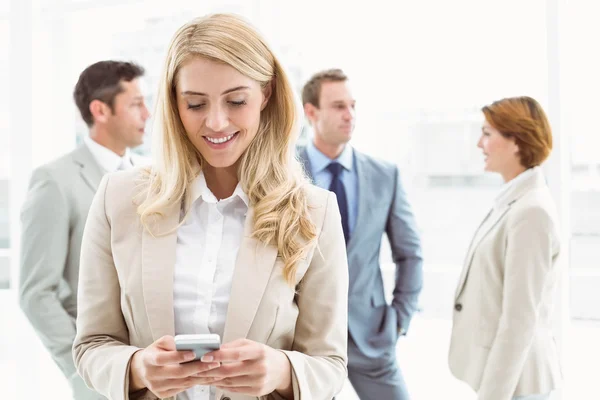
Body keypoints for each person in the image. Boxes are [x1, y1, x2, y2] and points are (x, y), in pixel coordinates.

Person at [72, 13, 349, 400]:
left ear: (266, 95)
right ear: (174, 104)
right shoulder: (118, 198)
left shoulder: (314, 211)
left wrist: (281, 371)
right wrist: (137, 369)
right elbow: (92, 345)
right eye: (196, 104)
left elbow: (329, 365)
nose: (216, 123)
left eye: (236, 101)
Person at [19, 60, 149, 399]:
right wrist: (82, 372)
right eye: (136, 104)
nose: (147, 114)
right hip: (101, 376)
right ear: (100, 110)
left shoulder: (150, 180)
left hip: (156, 372)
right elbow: (36, 292)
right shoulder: (55, 181)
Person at [299, 69, 423, 400]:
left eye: (352, 105)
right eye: (338, 106)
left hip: (371, 334)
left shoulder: (385, 175)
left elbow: (409, 253)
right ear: (311, 112)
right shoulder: (284, 170)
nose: (350, 115)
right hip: (301, 341)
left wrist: (398, 319)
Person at [448, 96, 562, 400]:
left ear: (516, 141)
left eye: (487, 134)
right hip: (509, 380)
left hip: (518, 384)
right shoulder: (516, 201)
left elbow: (519, 320)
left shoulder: (531, 212)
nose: (479, 144)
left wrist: (492, 396)